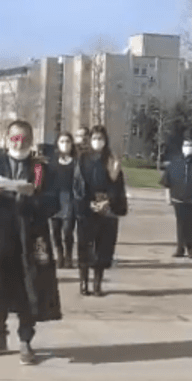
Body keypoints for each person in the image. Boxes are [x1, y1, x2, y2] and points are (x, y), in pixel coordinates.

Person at [0, 120, 61, 365]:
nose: (18, 143)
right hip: (0, 233)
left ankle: (25, 340)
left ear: (30, 140)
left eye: (23, 139)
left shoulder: (41, 168)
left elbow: (55, 200)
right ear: (7, 138)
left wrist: (34, 197)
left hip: (30, 234)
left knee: (28, 287)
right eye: (14, 138)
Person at [73, 125, 128, 296]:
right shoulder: (83, 159)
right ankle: (84, 283)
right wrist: (87, 202)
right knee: (85, 246)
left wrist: (109, 201)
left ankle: (97, 283)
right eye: (95, 138)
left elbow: (117, 185)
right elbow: (78, 184)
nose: (98, 141)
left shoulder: (111, 159)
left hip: (107, 208)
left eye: (101, 138)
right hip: (87, 207)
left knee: (103, 247)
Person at [160, 137, 192, 258]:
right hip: (178, 199)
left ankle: (191, 249)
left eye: (190, 145)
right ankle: (180, 248)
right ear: (182, 147)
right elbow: (167, 181)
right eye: (186, 145)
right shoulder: (175, 162)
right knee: (181, 224)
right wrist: (168, 197)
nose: (188, 147)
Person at [49, 132, 77, 269]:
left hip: (70, 199)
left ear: (72, 144)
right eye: (62, 141)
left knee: (67, 230)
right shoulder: (52, 162)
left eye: (67, 141)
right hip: (55, 199)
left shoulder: (76, 162)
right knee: (55, 230)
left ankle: (68, 256)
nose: (65, 144)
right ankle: (59, 255)